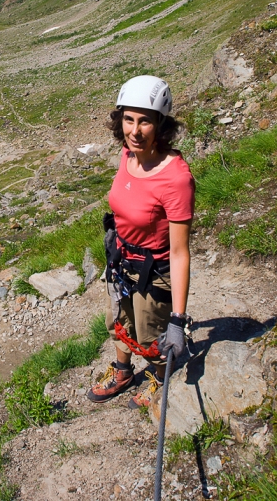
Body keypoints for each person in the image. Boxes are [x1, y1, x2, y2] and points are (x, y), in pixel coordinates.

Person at [87, 75, 195, 408]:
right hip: (121, 259)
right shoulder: (127, 155)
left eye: (144, 121)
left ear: (159, 124)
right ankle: (122, 371)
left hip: (154, 270)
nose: (135, 130)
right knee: (118, 321)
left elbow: (179, 253)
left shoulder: (175, 178)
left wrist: (177, 320)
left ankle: (160, 376)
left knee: (151, 335)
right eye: (129, 119)